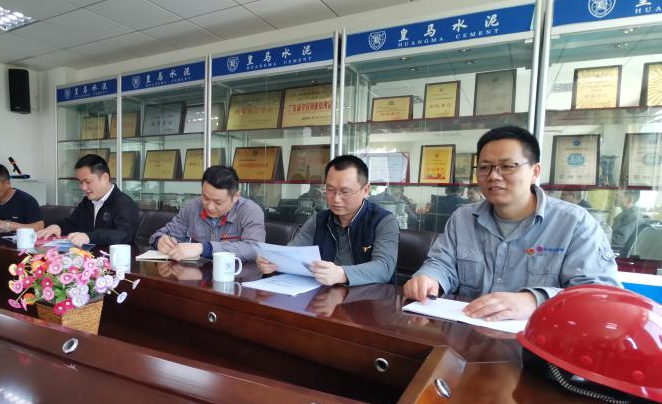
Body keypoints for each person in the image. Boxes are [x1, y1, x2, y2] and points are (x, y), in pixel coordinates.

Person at [404, 125, 620, 321]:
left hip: (539, 343)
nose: (493, 176)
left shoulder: (575, 224)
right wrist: (430, 278)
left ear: (535, 172)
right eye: (484, 167)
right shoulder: (462, 218)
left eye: (507, 166)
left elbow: (599, 296)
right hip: (468, 337)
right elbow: (442, 263)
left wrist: (536, 301)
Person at [256, 155, 399, 286]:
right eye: (330, 190)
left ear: (366, 190)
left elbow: (384, 268)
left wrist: (342, 274)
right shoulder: (318, 220)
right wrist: (271, 261)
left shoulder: (384, 221)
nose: (336, 199)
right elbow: (291, 253)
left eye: (345, 191)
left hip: (370, 299)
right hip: (323, 295)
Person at [149, 165, 265, 262]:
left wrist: (204, 248)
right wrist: (160, 240)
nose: (210, 207)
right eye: (205, 198)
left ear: (235, 196)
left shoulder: (250, 211)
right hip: (197, 276)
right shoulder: (193, 207)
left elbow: (254, 248)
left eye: (218, 202)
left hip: (236, 277)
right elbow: (163, 234)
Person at [36, 154, 138, 247]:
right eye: (80, 182)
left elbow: (124, 234)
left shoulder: (124, 203)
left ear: (105, 178)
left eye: (88, 182)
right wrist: (58, 227)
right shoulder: (87, 202)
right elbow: (73, 224)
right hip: (87, 257)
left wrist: (89, 237)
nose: (83, 187)